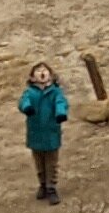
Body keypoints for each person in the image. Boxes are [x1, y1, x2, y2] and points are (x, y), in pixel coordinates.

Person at [20, 60, 73, 202]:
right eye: (38, 71)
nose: (42, 72)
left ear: (50, 75)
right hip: (35, 133)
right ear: (32, 77)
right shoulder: (30, 92)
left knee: (51, 162)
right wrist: (26, 108)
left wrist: (60, 113)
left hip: (51, 133)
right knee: (39, 162)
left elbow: (61, 102)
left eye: (45, 70)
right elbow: (23, 101)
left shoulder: (55, 92)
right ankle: (42, 184)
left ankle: (51, 187)